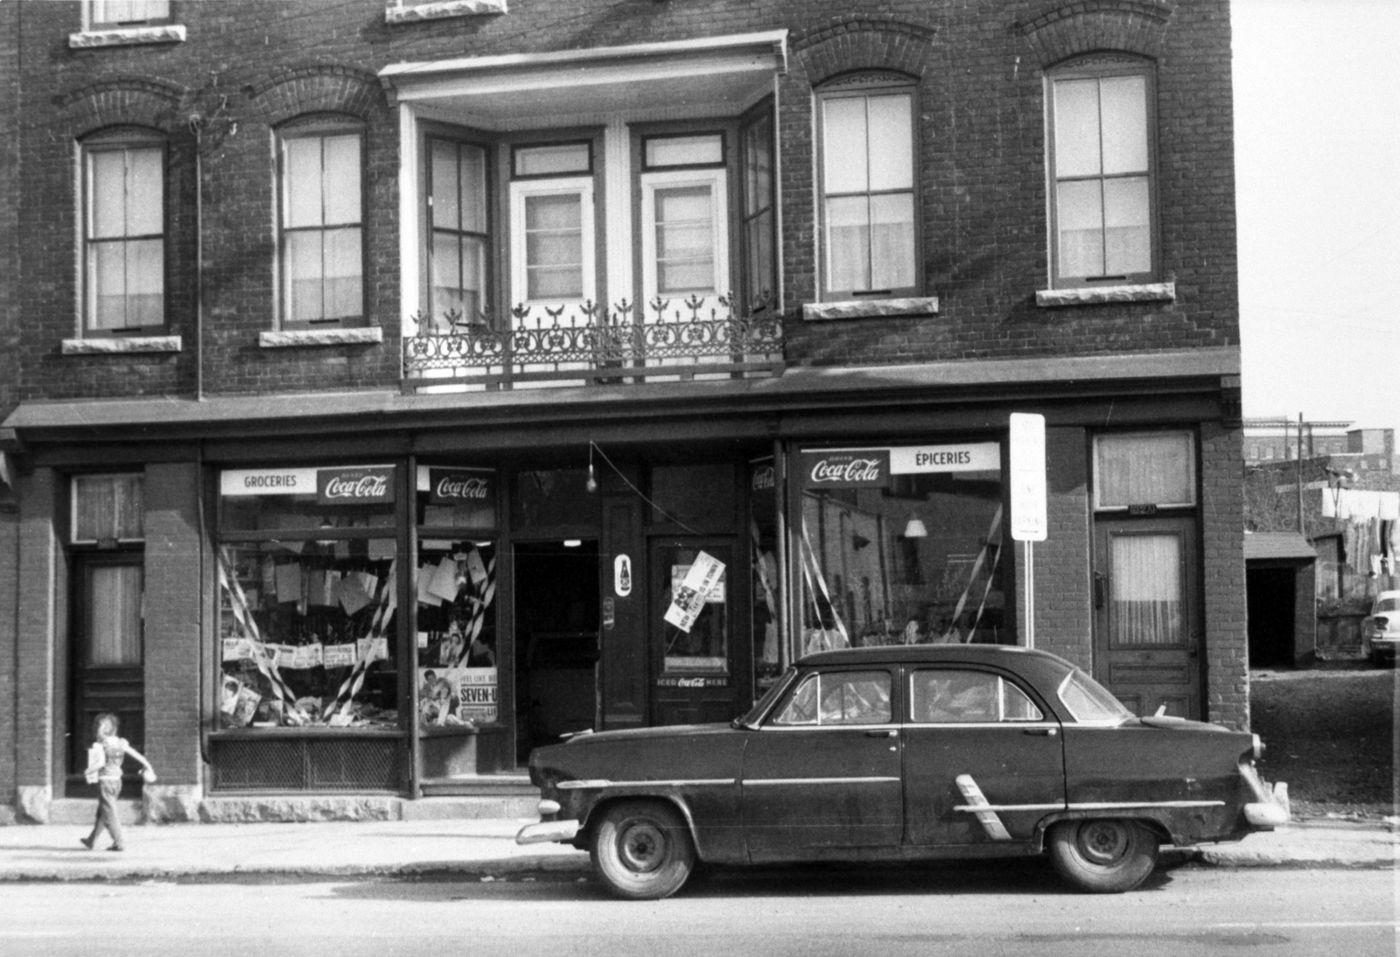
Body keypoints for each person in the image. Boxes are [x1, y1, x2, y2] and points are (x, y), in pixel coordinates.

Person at [80, 713, 155, 852]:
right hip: (117, 782)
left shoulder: (101, 744)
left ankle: (119, 842)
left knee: (109, 814)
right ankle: (91, 840)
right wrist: (149, 768)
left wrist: (88, 771)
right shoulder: (121, 743)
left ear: (100, 730)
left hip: (105, 782)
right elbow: (139, 756)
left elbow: (100, 763)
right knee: (103, 812)